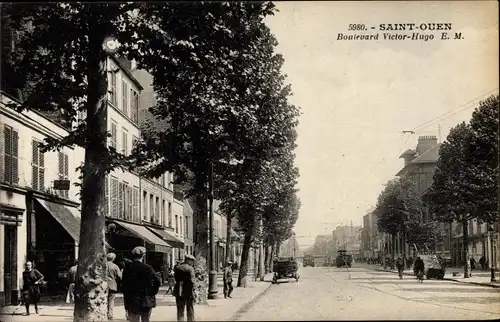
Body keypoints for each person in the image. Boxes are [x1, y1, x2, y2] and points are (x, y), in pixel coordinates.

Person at [122, 246, 162, 322]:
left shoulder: (127, 268)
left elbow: (124, 285)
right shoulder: (148, 268)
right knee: (146, 319)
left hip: (132, 299)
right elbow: (157, 281)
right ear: (143, 256)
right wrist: (153, 292)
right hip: (146, 299)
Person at [174, 254, 196, 322]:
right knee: (190, 309)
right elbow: (193, 281)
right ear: (188, 260)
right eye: (192, 261)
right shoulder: (190, 268)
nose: (192, 262)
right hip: (188, 291)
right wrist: (194, 290)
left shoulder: (177, 267)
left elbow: (176, 278)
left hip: (179, 290)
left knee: (180, 310)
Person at [106, 253, 122, 321]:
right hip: (112, 285)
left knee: (103, 300)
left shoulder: (103, 265)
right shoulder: (115, 266)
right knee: (111, 301)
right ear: (113, 259)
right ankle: (110, 315)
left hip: (103, 285)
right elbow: (119, 276)